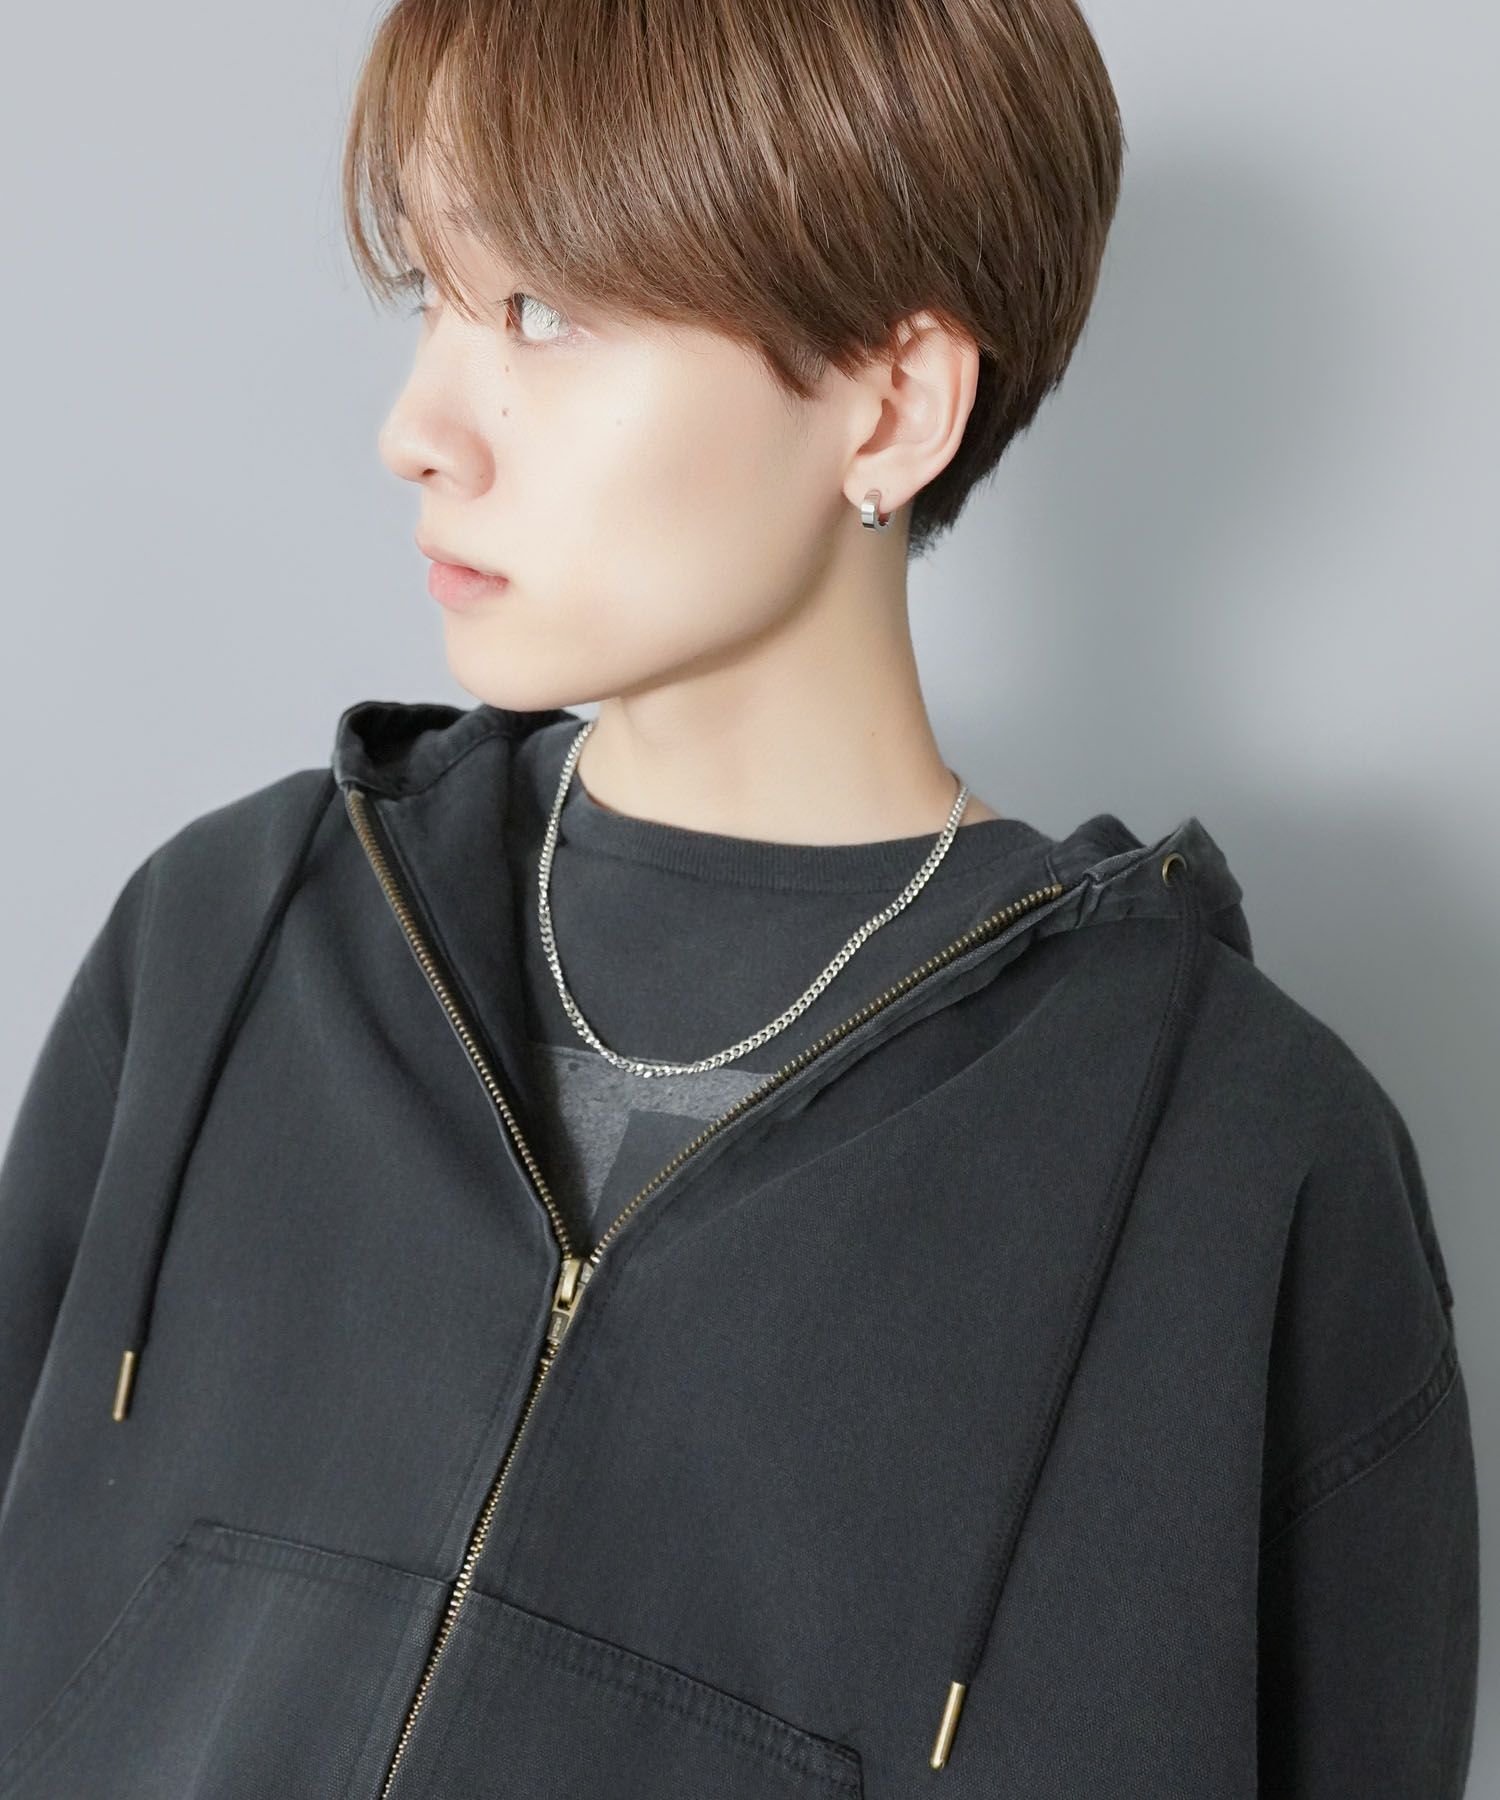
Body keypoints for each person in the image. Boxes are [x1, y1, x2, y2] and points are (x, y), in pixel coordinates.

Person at [0, 0, 1478, 1794]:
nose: (419, 428)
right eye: (435, 302)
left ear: (892, 403)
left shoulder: (1235, 1160)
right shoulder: (229, 938)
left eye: (541, 312)